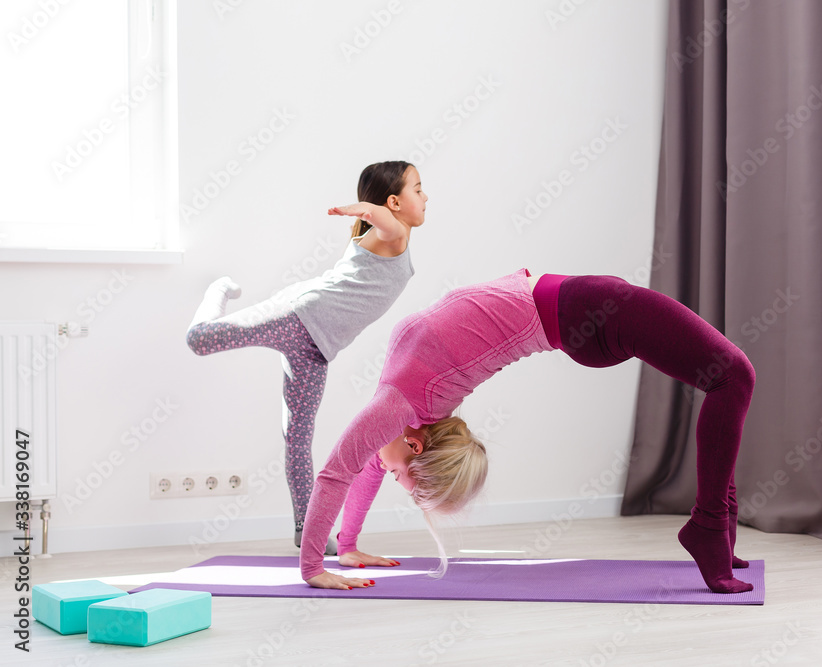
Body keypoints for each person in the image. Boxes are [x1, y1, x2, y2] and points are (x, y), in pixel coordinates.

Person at [299, 269, 756, 594]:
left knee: (730, 378)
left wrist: (316, 565)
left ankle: (716, 528)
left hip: (585, 309)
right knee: (732, 376)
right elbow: (368, 465)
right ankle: (712, 528)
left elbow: (340, 471)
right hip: (586, 313)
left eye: (402, 480)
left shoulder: (399, 402)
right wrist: (349, 546)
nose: (385, 473)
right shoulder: (408, 406)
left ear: (416, 444)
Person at [185, 161, 427, 559]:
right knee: (199, 339)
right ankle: (218, 290)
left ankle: (304, 528)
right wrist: (361, 209)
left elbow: (380, 216)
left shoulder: (390, 239)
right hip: (298, 317)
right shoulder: (393, 232)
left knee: (297, 439)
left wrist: (365, 213)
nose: (426, 196)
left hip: (316, 351)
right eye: (418, 189)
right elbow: (382, 216)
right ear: (395, 201)